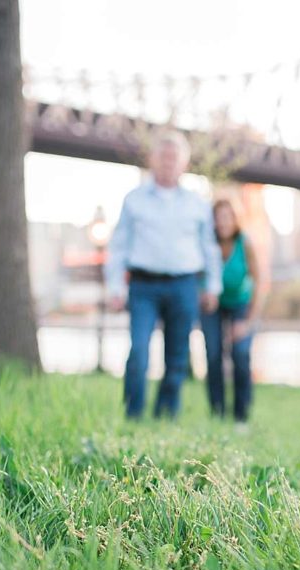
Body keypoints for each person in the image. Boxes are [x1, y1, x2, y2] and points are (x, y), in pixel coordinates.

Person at [105, 131, 221, 419]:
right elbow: (118, 246)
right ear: (153, 160)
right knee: (139, 352)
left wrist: (212, 287)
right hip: (143, 285)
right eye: (163, 156)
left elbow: (209, 248)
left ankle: (166, 414)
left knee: (177, 356)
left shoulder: (197, 204)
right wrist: (116, 288)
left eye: (174, 158)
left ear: (184, 163)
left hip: (184, 285)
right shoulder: (134, 200)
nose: (169, 162)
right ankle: (133, 414)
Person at [200, 199, 265, 424]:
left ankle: (241, 416)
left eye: (227, 217)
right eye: (217, 218)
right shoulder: (207, 243)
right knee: (214, 354)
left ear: (234, 219)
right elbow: (198, 275)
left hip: (240, 303)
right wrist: (203, 295)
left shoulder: (244, 243)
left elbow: (259, 281)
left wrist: (247, 321)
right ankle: (217, 412)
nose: (222, 222)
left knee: (240, 353)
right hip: (213, 304)